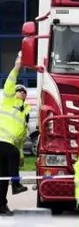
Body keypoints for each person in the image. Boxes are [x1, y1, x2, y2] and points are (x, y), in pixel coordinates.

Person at [0, 52, 30, 215]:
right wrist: (17, 67)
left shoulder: (24, 113)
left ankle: (1, 205)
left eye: (24, 92)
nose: (21, 92)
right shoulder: (8, 100)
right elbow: (10, 82)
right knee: (10, 155)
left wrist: (21, 157)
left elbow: (20, 139)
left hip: (9, 145)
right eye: (19, 90)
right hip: (0, 141)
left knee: (2, 177)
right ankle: (16, 184)